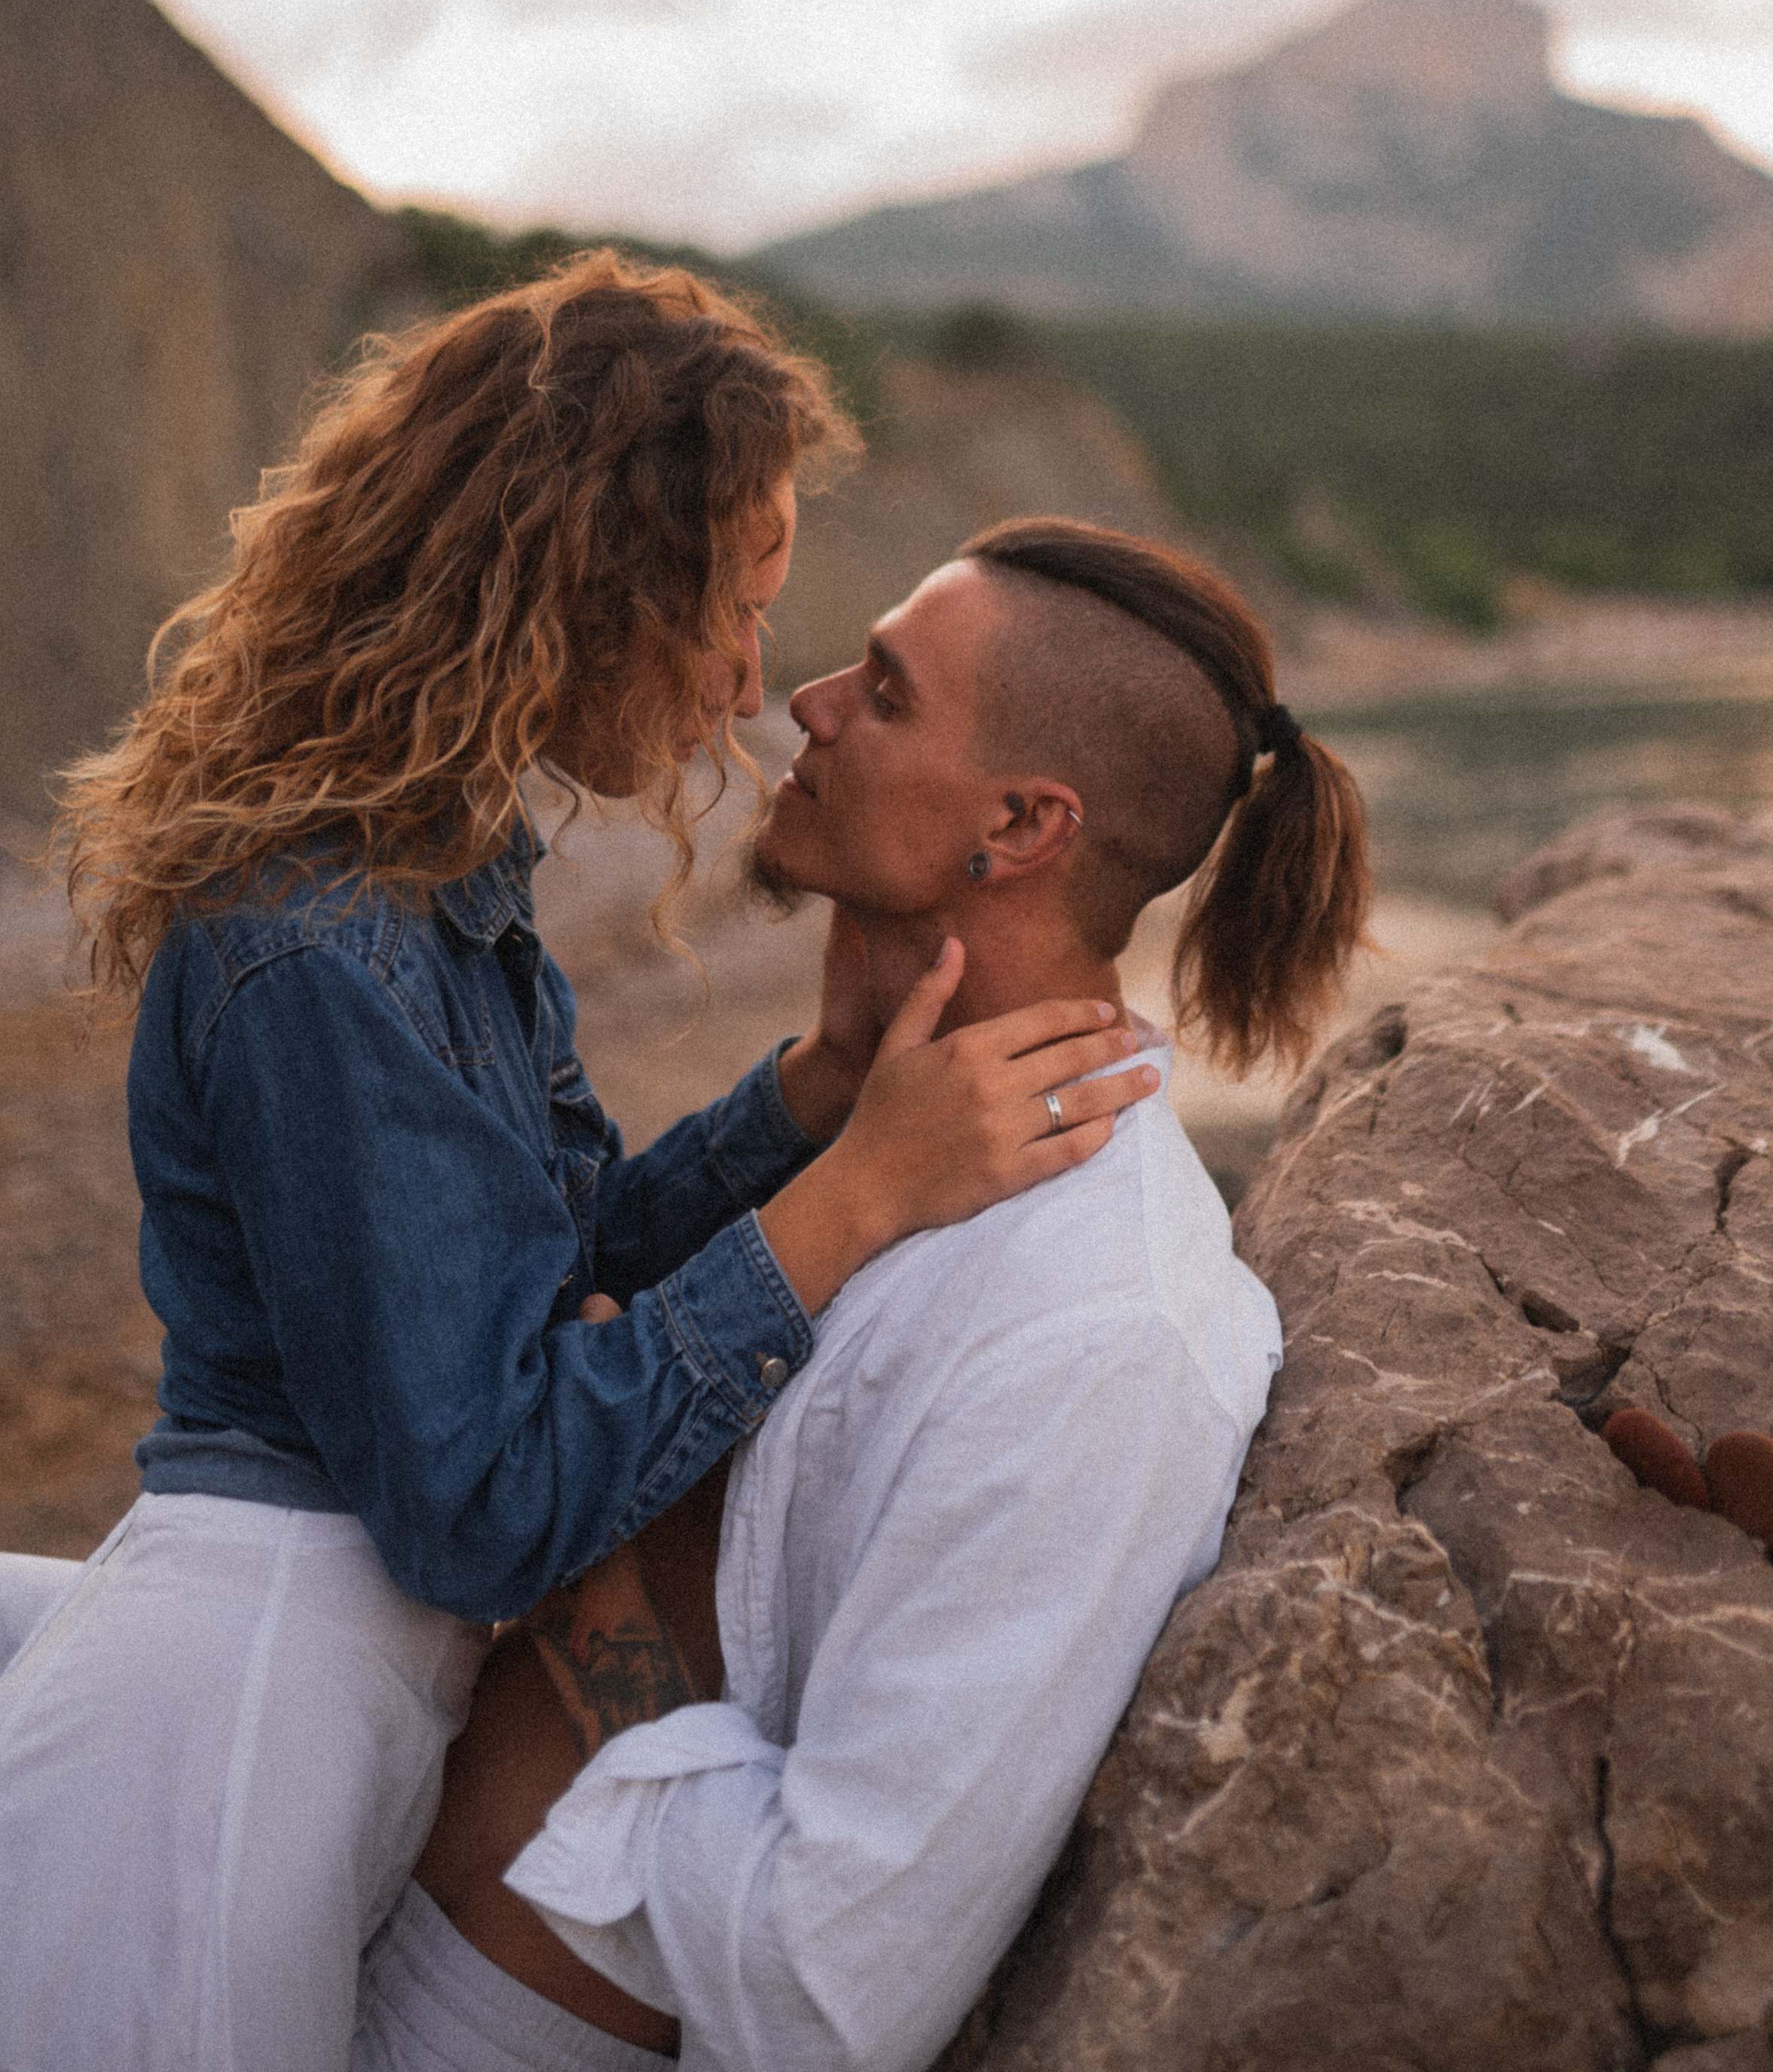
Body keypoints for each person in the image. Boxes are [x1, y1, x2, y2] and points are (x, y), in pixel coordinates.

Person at [0, 267, 1144, 2072]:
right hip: (221, 1732)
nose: (754, 682)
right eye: (731, 608)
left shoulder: (432, 885)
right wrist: (846, 1203)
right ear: (587, 585)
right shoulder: (328, 944)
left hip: (328, 1699)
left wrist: (810, 1096)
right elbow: (478, 1497)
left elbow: (531, 1275)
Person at [350, 515, 1373, 2072]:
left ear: (1021, 824)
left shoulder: (1104, 1325)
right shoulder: (860, 1129)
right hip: (352, 1859)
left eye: (885, 693)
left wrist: (574, 1570)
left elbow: (831, 1989)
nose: (806, 702)